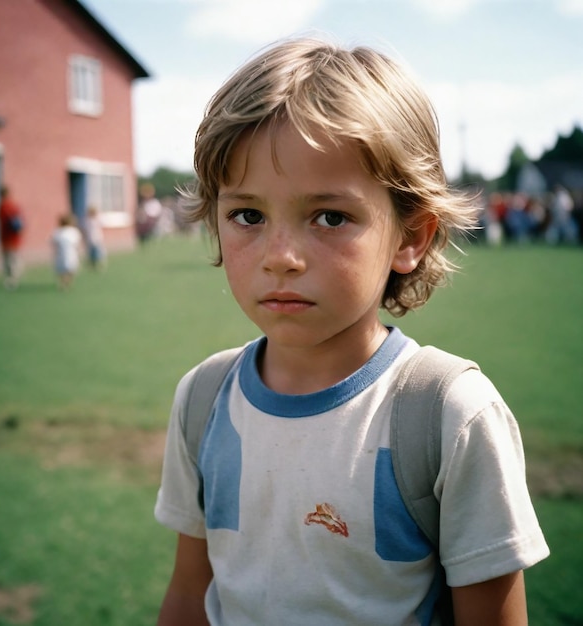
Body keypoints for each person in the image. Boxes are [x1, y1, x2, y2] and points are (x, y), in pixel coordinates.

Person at [154, 38, 549, 626]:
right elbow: (189, 596)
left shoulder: (448, 415)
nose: (281, 257)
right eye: (248, 215)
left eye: (330, 217)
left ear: (410, 237)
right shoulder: (205, 398)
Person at [0, 185, 24, 288]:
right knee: (12, 258)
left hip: (8, 237)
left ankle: (12, 278)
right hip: (13, 237)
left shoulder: (3, 206)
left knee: (9, 259)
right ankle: (13, 276)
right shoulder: (13, 205)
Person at [50, 214, 82, 290]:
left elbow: (53, 243)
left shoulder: (57, 232)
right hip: (71, 254)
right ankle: (66, 282)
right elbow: (77, 243)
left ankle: (63, 282)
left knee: (62, 270)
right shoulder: (73, 231)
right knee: (71, 270)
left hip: (60, 254)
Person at [83, 205, 107, 270]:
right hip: (90, 239)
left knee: (99, 252)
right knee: (91, 253)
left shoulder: (97, 220)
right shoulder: (87, 221)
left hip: (97, 238)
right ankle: (92, 265)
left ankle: (100, 264)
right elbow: (85, 230)